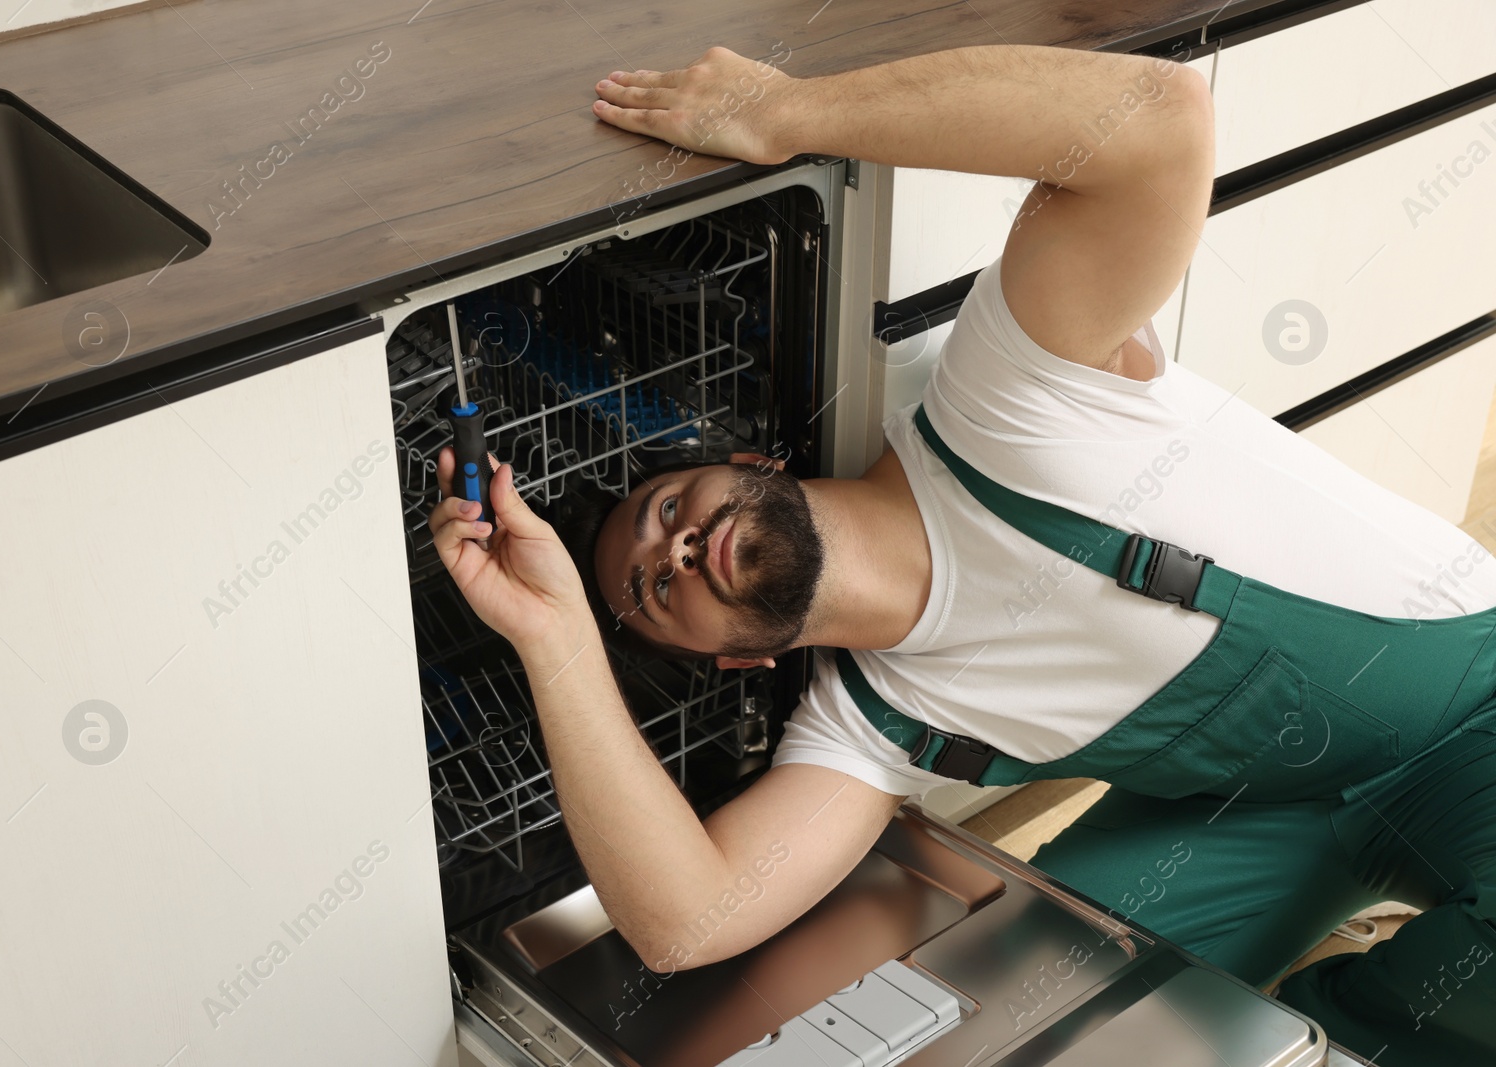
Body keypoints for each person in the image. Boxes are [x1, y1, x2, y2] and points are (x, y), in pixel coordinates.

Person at [431, 43, 1496, 1065]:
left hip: (1467, 713)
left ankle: (1364, 1020)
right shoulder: (873, 727)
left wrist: (782, 110)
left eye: (667, 510)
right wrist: (552, 629)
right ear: (736, 661)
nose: (677, 550)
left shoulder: (1003, 402)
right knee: (1055, 1023)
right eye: (650, 591)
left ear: (755, 462)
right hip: (1248, 815)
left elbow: (1157, 121)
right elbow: (682, 925)